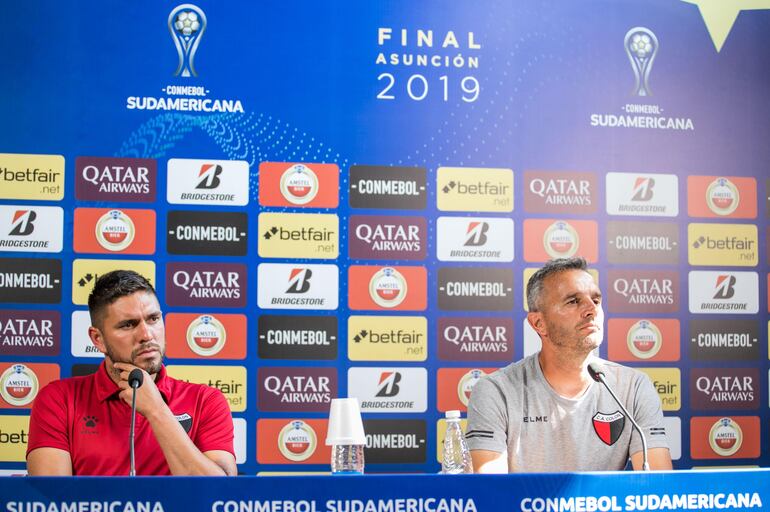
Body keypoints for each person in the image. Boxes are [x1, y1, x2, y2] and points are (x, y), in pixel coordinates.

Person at [466, 257, 672, 472]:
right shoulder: (496, 391)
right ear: (539, 323)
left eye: (596, 300)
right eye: (573, 301)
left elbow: (656, 488)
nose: (591, 310)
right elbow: (489, 490)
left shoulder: (633, 386)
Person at [26, 270, 237, 476]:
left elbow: (218, 494)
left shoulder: (205, 401)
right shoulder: (59, 399)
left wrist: (156, 410)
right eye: (128, 325)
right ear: (98, 339)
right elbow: (51, 500)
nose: (146, 334)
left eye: (153, 319)